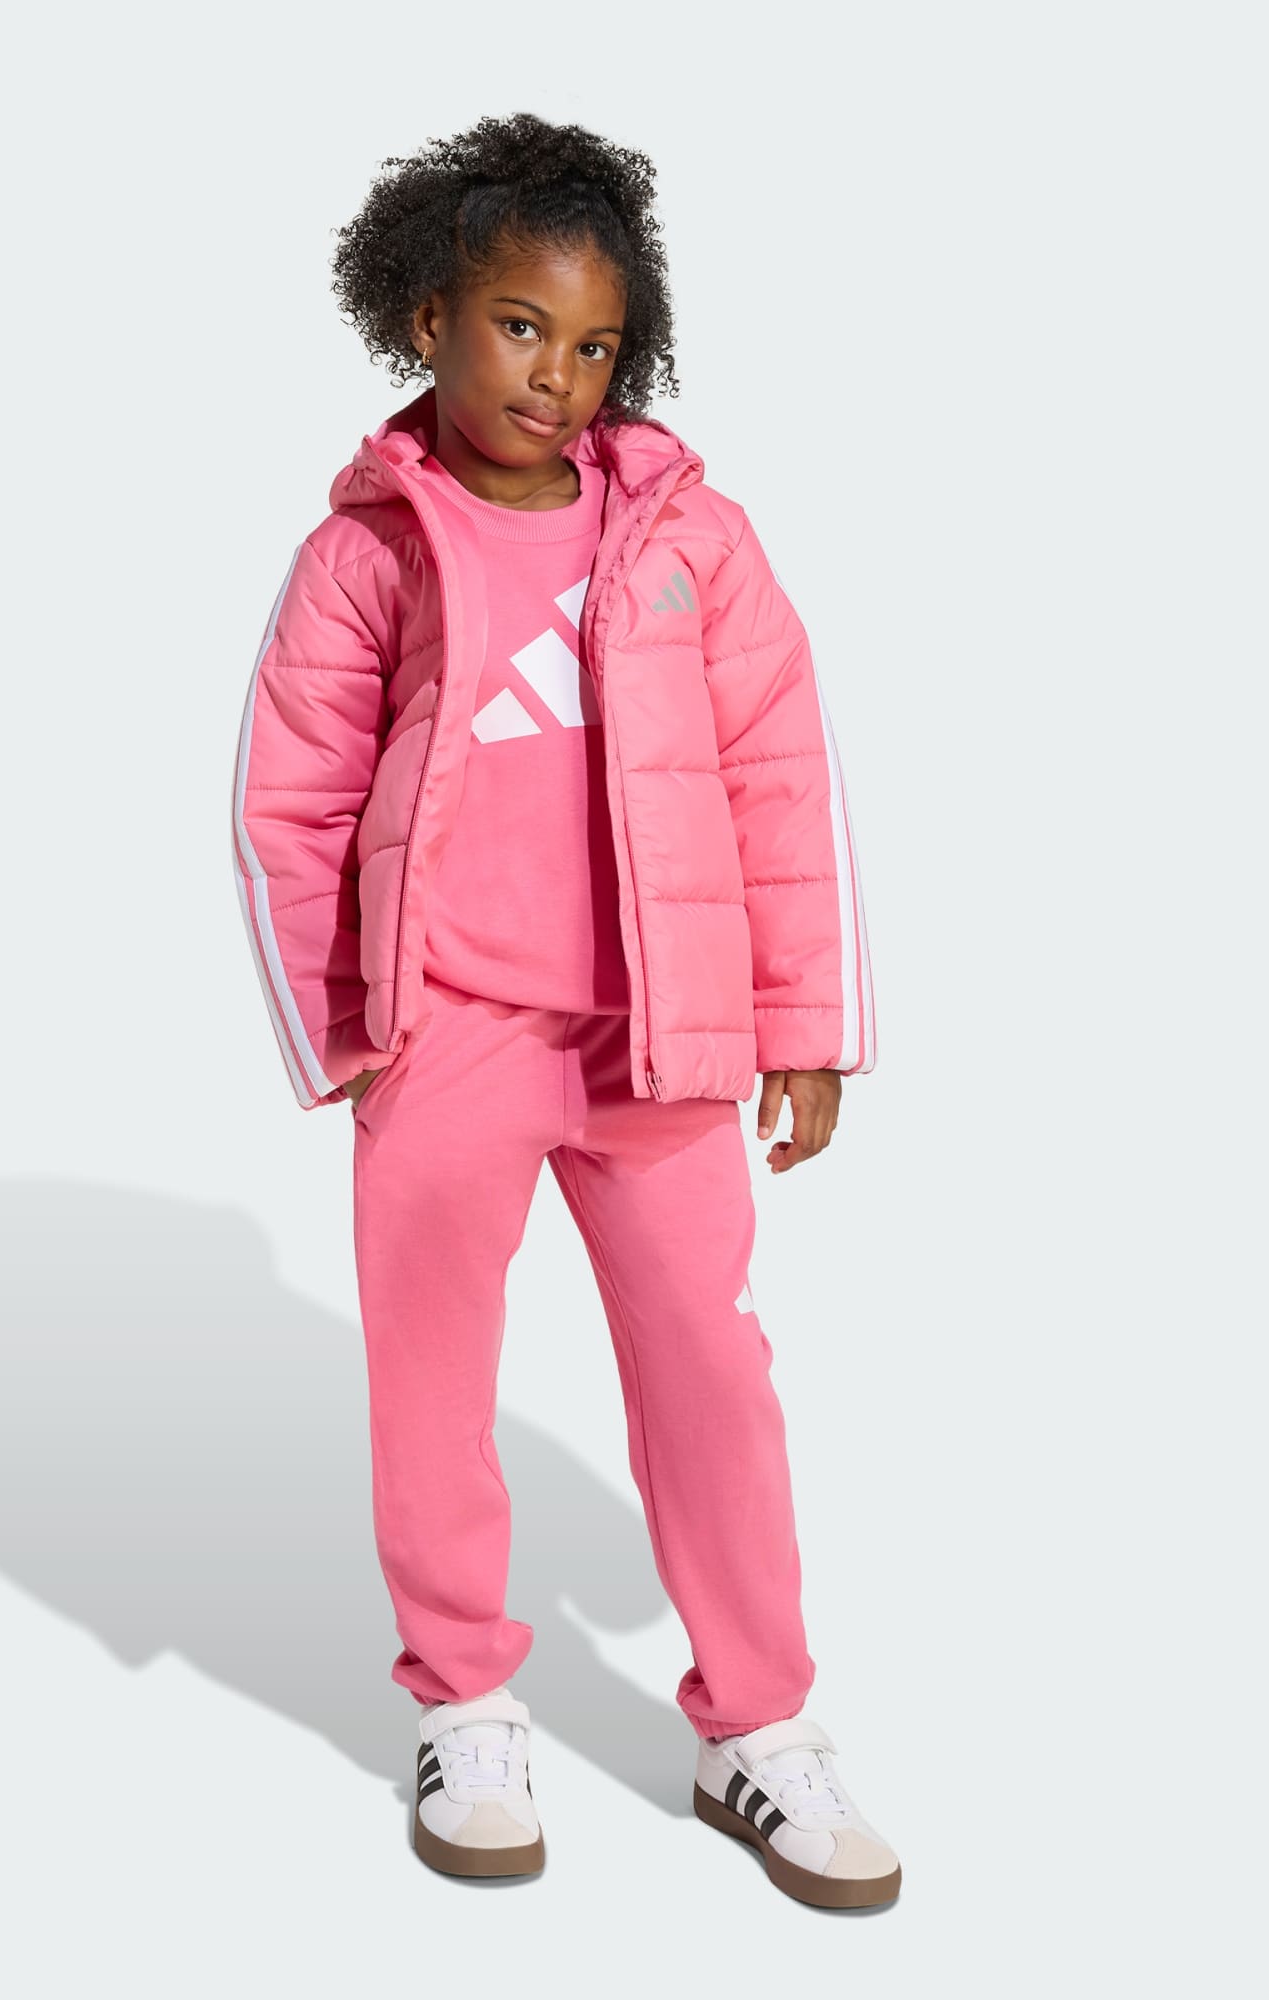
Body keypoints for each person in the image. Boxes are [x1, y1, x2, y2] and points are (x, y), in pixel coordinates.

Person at [230, 111, 899, 1910]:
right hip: (449, 1035)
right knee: (432, 1377)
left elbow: (781, 778)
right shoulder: (373, 551)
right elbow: (289, 797)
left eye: (595, 345)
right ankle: (463, 1697)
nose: (556, 374)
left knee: (712, 1372)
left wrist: (804, 1022)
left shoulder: (690, 539)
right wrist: (342, 1029)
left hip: (658, 1047)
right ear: (427, 317)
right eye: (521, 326)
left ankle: (761, 1723)